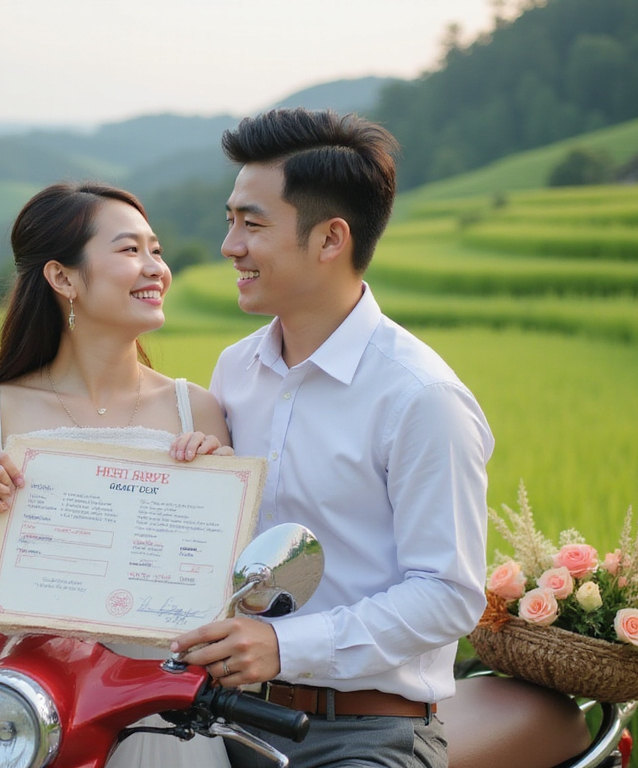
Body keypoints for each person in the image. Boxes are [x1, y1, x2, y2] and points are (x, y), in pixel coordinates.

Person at [169, 109, 494, 768]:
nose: (230, 244)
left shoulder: (420, 397)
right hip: (225, 716)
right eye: (230, 218)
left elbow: (448, 594)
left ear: (330, 239)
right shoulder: (236, 369)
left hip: (364, 735)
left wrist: (287, 647)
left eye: (252, 224)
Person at [0, 181, 233, 768]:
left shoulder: (195, 411)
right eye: (129, 251)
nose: (156, 268)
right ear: (64, 278)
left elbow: (224, 594)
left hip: (160, 715)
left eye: (156, 249)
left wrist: (218, 502)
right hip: (33, 707)